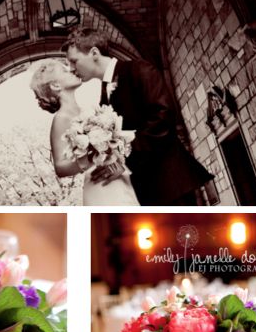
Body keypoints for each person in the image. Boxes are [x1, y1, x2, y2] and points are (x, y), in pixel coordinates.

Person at [62, 27, 214, 205]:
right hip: (145, 189)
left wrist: (122, 158)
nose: (71, 68)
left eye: (74, 61)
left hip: (169, 183)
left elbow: (163, 118)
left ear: (94, 53)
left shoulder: (139, 69)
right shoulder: (104, 93)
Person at [30, 59, 139, 205]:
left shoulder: (89, 111)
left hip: (118, 176)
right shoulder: (61, 118)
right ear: (56, 85)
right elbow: (60, 167)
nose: (72, 70)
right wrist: (94, 155)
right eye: (65, 70)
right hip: (100, 184)